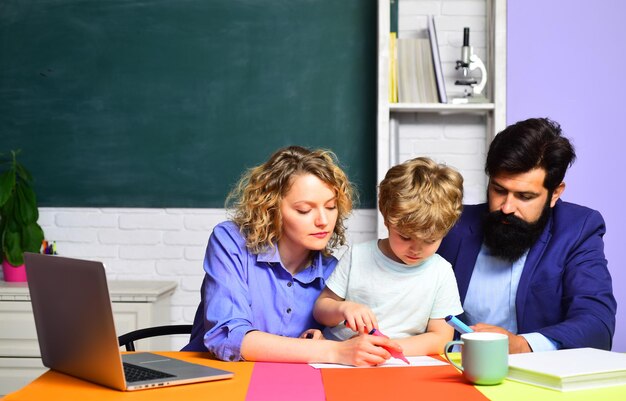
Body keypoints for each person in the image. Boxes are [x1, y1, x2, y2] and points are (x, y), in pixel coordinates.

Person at [182, 145, 403, 366]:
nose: (323, 221)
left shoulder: (333, 272)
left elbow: (330, 340)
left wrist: (326, 339)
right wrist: (331, 351)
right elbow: (227, 338)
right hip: (212, 378)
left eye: (331, 207)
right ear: (271, 209)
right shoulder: (231, 242)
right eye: (304, 210)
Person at [437, 117, 617, 354]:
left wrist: (523, 345)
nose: (507, 207)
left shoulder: (578, 229)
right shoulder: (453, 224)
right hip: (458, 372)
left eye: (525, 196)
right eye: (499, 190)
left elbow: (597, 324)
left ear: (555, 193)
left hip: (539, 379)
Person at [313, 157, 464, 356]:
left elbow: (440, 339)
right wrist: (343, 308)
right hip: (344, 358)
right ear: (386, 219)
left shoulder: (441, 272)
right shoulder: (358, 255)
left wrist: (383, 347)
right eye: (405, 237)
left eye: (430, 241)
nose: (416, 250)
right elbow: (320, 310)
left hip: (398, 362)